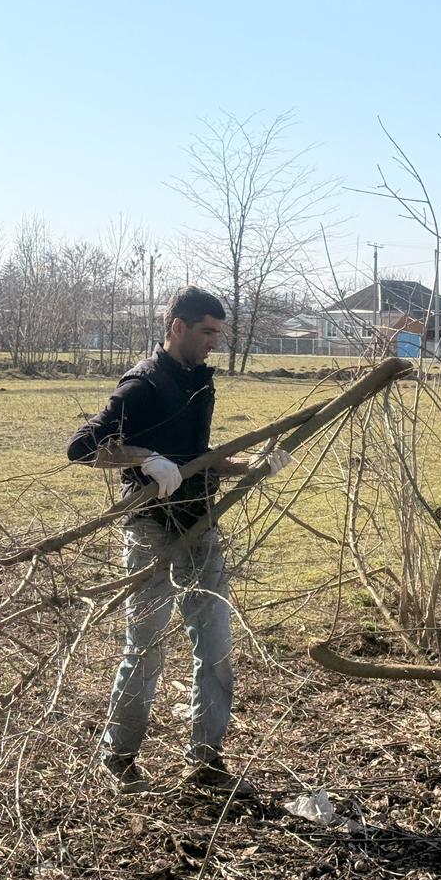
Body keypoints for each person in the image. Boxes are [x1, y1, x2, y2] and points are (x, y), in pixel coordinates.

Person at [66, 286, 291, 796]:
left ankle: (205, 761)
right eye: (208, 332)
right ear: (177, 327)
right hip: (150, 526)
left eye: (219, 333)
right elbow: (81, 448)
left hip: (200, 522)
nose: (215, 342)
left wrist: (252, 466)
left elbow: (199, 458)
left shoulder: (200, 383)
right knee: (145, 647)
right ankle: (119, 759)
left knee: (215, 646)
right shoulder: (141, 384)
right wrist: (143, 458)